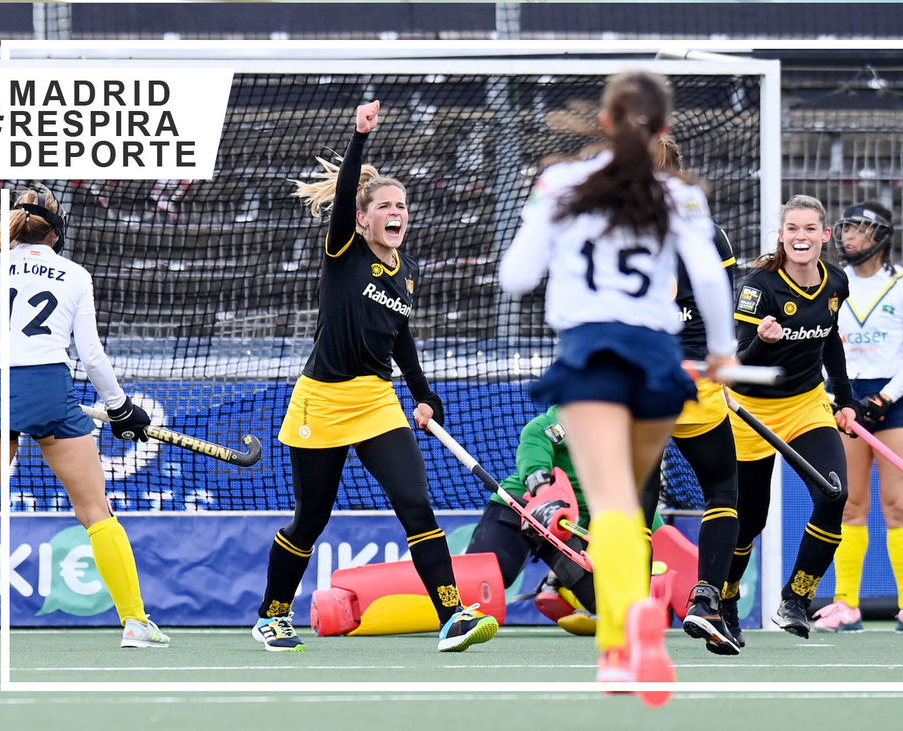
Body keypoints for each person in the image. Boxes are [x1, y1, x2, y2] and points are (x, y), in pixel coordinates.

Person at [500, 70, 737, 706]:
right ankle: (640, 625)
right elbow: (712, 283)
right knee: (633, 501)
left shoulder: (562, 184)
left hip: (591, 353)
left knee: (610, 506)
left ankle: (620, 641)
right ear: (662, 130)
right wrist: (721, 352)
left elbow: (517, 277)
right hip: (659, 358)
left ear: (603, 122)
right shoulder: (679, 195)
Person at [254, 100, 498, 653]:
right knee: (310, 519)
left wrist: (422, 391)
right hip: (320, 400)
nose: (397, 213)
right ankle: (272, 613)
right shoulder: (344, 249)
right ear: (364, 218)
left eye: (403, 206)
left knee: (416, 503)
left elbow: (400, 333)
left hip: (376, 400)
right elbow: (344, 197)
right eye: (385, 206)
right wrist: (359, 140)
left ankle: (452, 616)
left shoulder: (407, 270)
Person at [0, 187, 168, 650]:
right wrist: (119, 407)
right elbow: (92, 355)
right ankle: (135, 623)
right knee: (97, 512)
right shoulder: (74, 273)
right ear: (57, 233)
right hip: (52, 387)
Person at [725, 194, 858, 643]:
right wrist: (763, 340)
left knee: (833, 494)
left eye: (809, 229)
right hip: (751, 413)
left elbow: (831, 341)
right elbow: (740, 365)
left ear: (825, 235)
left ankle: (796, 599)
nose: (801, 237)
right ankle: (725, 600)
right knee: (748, 520)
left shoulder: (836, 281)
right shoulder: (759, 287)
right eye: (792, 229)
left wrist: (846, 399)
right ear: (782, 237)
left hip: (805, 405)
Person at [647, 134, 745, 656]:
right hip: (695, 379)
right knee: (723, 492)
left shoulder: (613, 233)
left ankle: (630, 606)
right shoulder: (710, 235)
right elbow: (718, 311)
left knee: (636, 500)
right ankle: (706, 600)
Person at [818, 201, 903, 634]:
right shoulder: (831, 283)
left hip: (895, 399)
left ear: (880, 236)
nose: (848, 236)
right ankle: (845, 604)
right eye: (845, 228)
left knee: (898, 502)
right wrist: (842, 394)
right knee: (850, 503)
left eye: (858, 229)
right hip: (846, 394)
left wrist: (884, 398)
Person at [464, 405, 597, 633]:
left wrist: (661, 536)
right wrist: (546, 497)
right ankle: (435, 588)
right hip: (519, 511)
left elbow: (637, 497)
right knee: (483, 581)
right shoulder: (550, 425)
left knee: (603, 602)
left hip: (566, 527)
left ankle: (556, 582)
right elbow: (535, 466)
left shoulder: (624, 435)